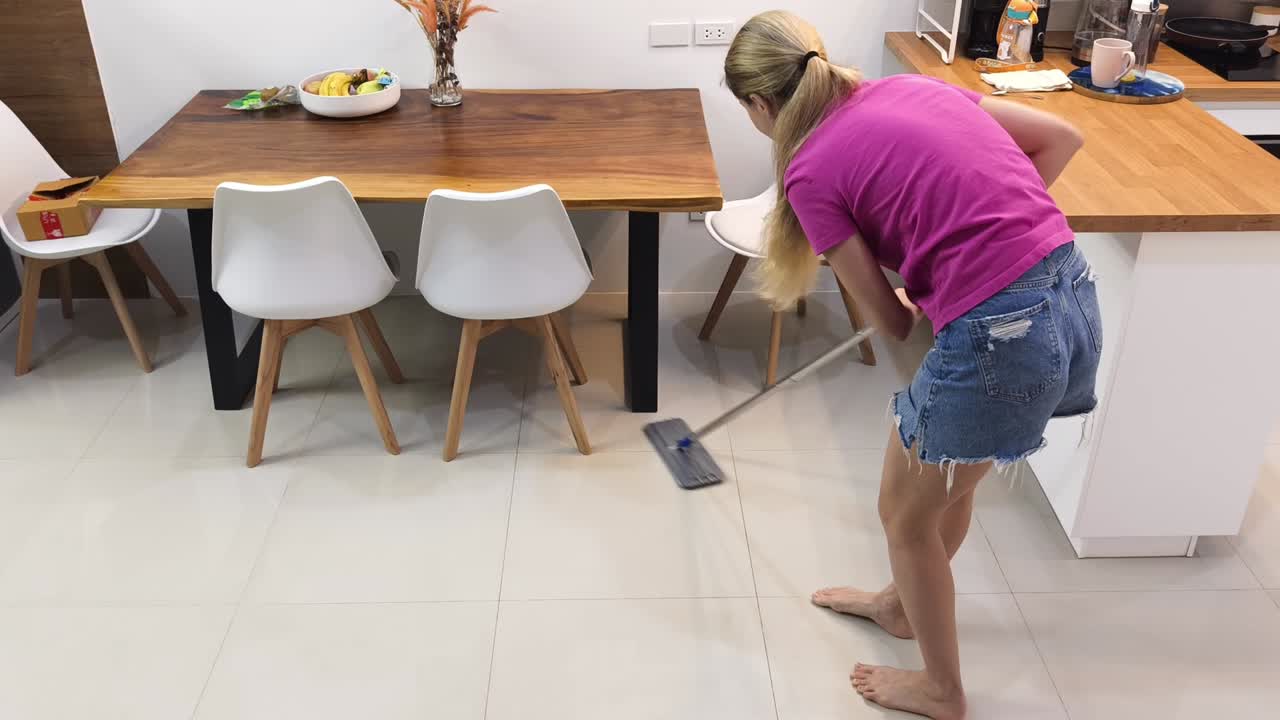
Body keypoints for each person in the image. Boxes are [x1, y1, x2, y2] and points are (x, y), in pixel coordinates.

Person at [724, 11, 1100, 720]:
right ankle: (902, 605)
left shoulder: (807, 169)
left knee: (902, 513)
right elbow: (1060, 140)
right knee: (944, 493)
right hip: (1071, 298)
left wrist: (959, 279)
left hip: (1005, 333)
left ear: (758, 104)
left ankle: (941, 690)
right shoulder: (910, 88)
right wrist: (971, 259)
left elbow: (891, 322)